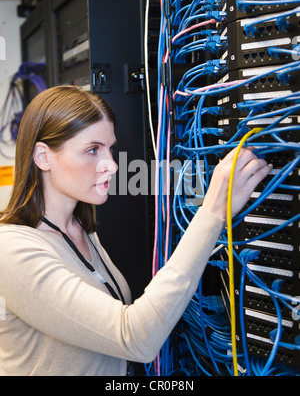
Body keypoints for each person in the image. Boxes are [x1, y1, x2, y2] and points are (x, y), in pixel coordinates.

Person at [0, 85, 272, 376]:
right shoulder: (13, 251)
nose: (112, 166)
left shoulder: (80, 230)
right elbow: (135, 338)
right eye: (92, 150)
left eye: (110, 149)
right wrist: (213, 212)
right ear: (43, 157)